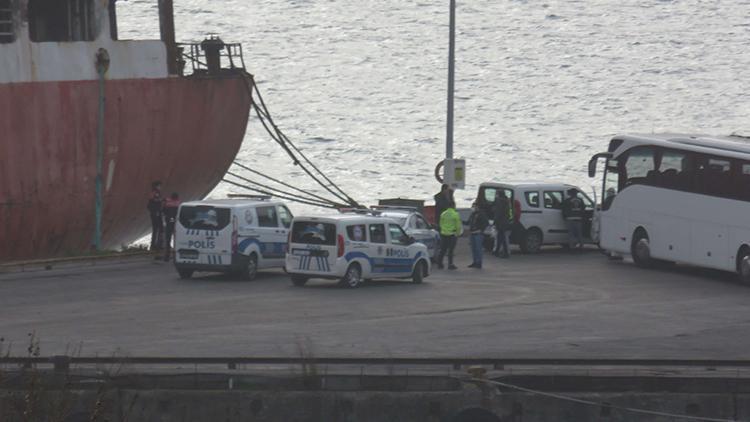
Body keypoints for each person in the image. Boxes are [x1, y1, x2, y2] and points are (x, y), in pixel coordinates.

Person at [436, 200, 462, 270]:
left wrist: (443, 230)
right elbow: (458, 226)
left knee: (443, 249)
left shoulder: (443, 214)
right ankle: (450, 264)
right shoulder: (455, 214)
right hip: (452, 234)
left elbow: (440, 224)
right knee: (451, 250)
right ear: (453, 206)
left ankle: (440, 263)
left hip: (444, 234)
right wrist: (458, 233)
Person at [467, 201, 489, 269]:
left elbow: (486, 223)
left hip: (478, 233)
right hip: (472, 233)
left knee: (478, 249)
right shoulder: (472, 214)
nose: (472, 208)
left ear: (477, 207)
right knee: (473, 249)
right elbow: (468, 222)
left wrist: (481, 230)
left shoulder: (481, 214)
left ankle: (479, 262)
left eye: (474, 206)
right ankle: (475, 262)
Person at [493, 192, 513, 258]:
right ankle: (500, 252)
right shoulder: (506, 201)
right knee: (502, 238)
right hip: (505, 222)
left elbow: (498, 213)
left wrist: (495, 221)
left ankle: (501, 252)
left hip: (500, 223)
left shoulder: (499, 202)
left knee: (501, 238)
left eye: (496, 194)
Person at [162, 192, 181, 261]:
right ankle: (175, 256)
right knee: (176, 240)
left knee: (168, 239)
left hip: (169, 222)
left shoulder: (167, 203)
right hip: (176, 223)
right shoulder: (178, 204)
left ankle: (167, 256)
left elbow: (163, 211)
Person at [147, 181, 164, 251]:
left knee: (159, 228)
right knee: (157, 228)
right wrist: (161, 200)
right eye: (159, 186)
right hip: (156, 212)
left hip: (157, 212)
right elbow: (153, 200)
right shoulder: (155, 192)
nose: (160, 187)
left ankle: (157, 244)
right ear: (156, 186)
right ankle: (155, 245)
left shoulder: (156, 192)